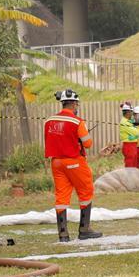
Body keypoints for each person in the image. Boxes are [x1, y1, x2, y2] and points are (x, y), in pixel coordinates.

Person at [43, 89, 102, 242]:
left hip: (56, 163)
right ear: (74, 104)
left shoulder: (49, 121)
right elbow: (88, 144)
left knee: (61, 196)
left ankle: (63, 234)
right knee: (85, 191)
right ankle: (84, 230)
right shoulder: (77, 121)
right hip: (74, 161)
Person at [119, 101, 139, 168]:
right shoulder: (124, 122)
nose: (132, 114)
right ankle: (129, 177)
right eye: (131, 112)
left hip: (133, 145)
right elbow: (137, 132)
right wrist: (137, 128)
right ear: (127, 112)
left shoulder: (129, 121)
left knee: (134, 163)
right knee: (130, 164)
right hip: (129, 145)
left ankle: (134, 177)